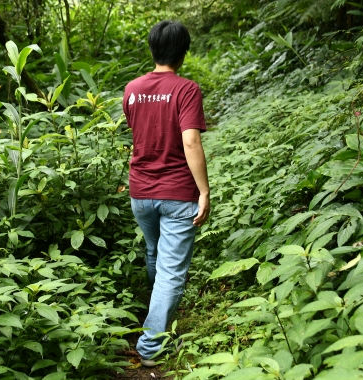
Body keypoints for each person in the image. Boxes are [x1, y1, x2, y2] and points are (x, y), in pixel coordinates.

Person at [122, 20, 210, 368]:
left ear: (153, 49)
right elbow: (190, 140)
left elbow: (140, 133)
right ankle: (150, 347)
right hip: (177, 192)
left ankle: (158, 311)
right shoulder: (187, 89)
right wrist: (204, 190)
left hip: (140, 191)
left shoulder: (132, 89)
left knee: (155, 251)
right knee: (172, 269)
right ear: (183, 52)